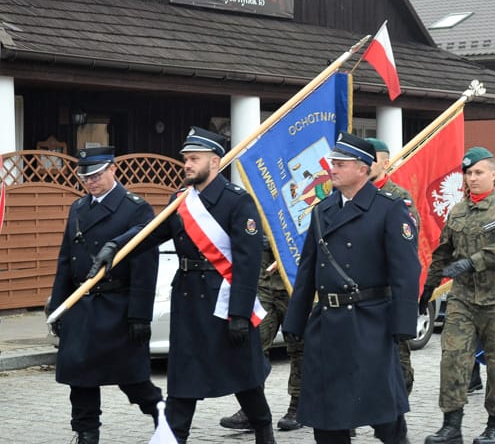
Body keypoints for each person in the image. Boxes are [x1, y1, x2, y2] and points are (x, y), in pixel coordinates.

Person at [89, 127, 277, 444]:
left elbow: (247, 263)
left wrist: (241, 314)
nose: (187, 165)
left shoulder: (237, 202)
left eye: (194, 159)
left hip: (224, 301)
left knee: (243, 377)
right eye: (186, 159)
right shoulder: (181, 200)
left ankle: (263, 430)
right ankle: (174, 436)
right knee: (182, 379)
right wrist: (115, 247)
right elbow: (149, 232)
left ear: (215, 162)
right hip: (189, 302)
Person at [283, 132, 420, 444]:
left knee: (383, 415)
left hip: (369, 322)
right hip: (327, 323)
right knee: (327, 415)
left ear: (362, 169)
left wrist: (403, 325)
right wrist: (295, 319)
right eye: (333, 163)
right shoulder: (323, 209)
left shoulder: (389, 208)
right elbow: (307, 269)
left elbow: (406, 270)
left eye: (340, 164)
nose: (332, 169)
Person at [48, 146, 162, 444]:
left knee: (132, 380)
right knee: (80, 377)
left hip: (117, 307)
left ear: (113, 170)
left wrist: (140, 315)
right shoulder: (78, 208)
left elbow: (145, 266)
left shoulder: (135, 208)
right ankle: (86, 433)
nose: (90, 181)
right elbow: (66, 260)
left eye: (97, 174)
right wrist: (58, 307)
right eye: (85, 177)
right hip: (82, 306)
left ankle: (162, 413)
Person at [422, 147, 495, 444]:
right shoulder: (457, 211)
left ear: (493, 174)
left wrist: (473, 260)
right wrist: (428, 289)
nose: (472, 178)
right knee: (453, 359)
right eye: (468, 173)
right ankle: (451, 425)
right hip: (463, 299)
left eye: (478, 172)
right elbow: (442, 253)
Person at [219, 236, 304, 433]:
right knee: (254, 346)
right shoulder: (258, 204)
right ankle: (252, 410)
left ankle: (297, 407)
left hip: (294, 283)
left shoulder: (305, 203)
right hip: (264, 283)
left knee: (299, 348)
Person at [366, 137, 421, 395]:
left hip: (388, 291)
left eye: (371, 158)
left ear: (385, 163)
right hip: (360, 292)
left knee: (397, 357)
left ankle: (399, 404)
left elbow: (407, 242)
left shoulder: (399, 198)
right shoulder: (348, 196)